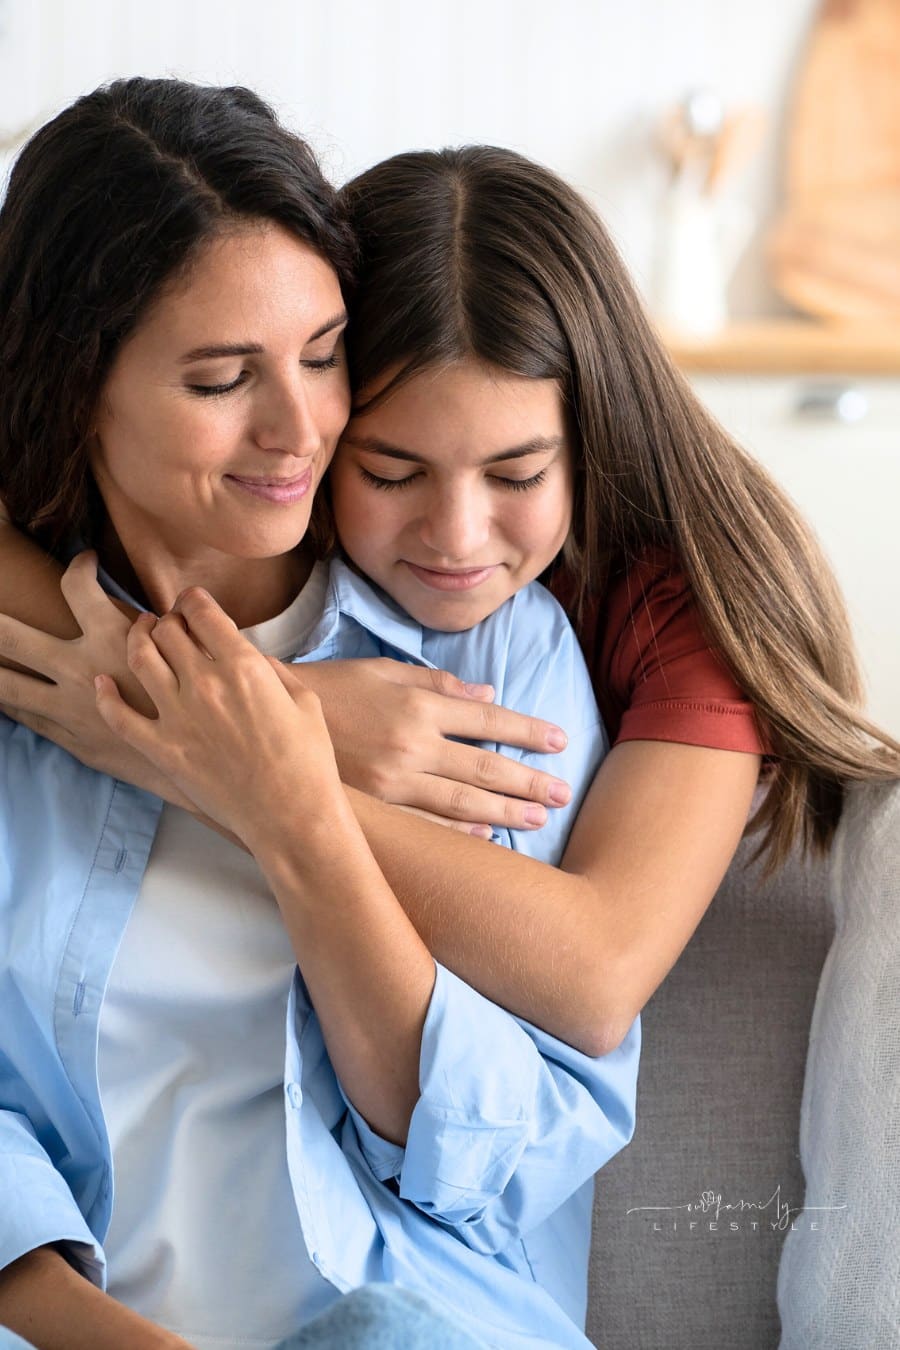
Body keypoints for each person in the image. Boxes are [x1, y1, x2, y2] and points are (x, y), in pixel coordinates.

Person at [2, 78, 898, 1343]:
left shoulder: (520, 650)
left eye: (322, 360)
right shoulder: (42, 659)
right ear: (77, 382)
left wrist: (270, 777)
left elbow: (545, 1067)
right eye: (220, 378)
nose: (294, 427)